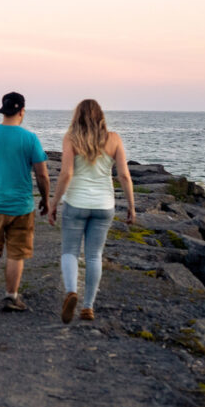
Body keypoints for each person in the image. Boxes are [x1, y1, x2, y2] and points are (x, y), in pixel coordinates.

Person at [48, 99, 136, 323]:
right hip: (104, 205)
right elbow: (124, 175)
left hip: (76, 203)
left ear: (77, 116)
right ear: (101, 116)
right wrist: (131, 206)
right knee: (94, 255)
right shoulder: (114, 139)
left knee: (70, 251)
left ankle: (71, 291)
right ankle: (88, 307)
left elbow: (66, 174)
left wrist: (54, 202)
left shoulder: (71, 138)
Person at [0, 92, 50, 311]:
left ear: (3, 110)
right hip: (21, 206)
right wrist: (45, 199)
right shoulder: (30, 139)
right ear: (22, 111)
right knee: (16, 252)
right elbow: (42, 174)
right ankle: (11, 296)